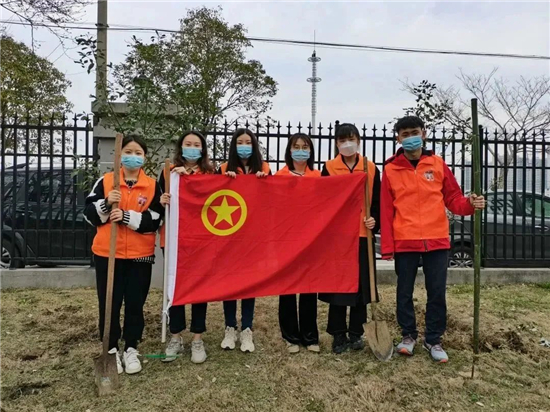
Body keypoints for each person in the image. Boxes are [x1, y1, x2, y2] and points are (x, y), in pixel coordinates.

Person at [381, 115, 486, 363]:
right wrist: (387, 247)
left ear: (424, 133)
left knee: (436, 292)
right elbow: (386, 211)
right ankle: (408, 336)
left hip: (437, 239)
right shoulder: (390, 169)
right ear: (398, 137)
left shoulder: (438, 165)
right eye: (405, 134)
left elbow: (454, 199)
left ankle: (433, 339)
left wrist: (471, 204)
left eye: (414, 132)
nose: (410, 138)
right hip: (405, 240)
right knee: (404, 292)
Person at [84, 135, 164, 375]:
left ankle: (131, 347)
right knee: (109, 303)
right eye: (128, 151)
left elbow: (156, 219)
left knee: (135, 303)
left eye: (138, 152)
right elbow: (88, 214)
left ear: (144, 157)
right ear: (119, 156)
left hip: (141, 256)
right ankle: (110, 348)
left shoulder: (151, 185)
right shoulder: (106, 181)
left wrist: (127, 217)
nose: (133, 156)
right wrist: (107, 203)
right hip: (108, 254)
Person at [319, 123, 381, 354]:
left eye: (351, 138)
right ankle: (338, 334)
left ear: (359, 140)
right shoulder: (329, 168)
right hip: (338, 238)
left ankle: (356, 333)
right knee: (338, 287)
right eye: (343, 139)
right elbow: (323, 201)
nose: (347, 143)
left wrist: (374, 220)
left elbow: (377, 201)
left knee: (362, 288)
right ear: (336, 143)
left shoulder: (371, 168)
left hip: (363, 235)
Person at [158, 131, 214, 364]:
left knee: (200, 289)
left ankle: (197, 338)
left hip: (201, 243)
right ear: (180, 148)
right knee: (176, 288)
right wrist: (164, 198)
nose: (192, 148)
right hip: (174, 241)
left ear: (202, 150)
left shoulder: (211, 174)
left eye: (196, 145)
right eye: (187, 144)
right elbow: (158, 205)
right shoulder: (168, 172)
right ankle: (175, 336)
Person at [216, 128, 271, 353]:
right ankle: (230, 327)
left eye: (248, 141)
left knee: (249, 284)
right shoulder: (222, 168)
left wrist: (265, 181)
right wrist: (224, 182)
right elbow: (211, 197)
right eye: (240, 142)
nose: (244, 145)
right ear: (233, 145)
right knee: (229, 283)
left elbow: (274, 198)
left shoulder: (265, 167)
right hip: (229, 236)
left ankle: (247, 330)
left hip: (254, 237)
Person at [276, 133, 321, 353]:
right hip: (286, 240)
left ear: (311, 151)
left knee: (309, 287)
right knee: (287, 288)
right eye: (296, 146)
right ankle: (290, 336)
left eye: (305, 147)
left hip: (312, 240)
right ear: (289, 150)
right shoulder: (279, 176)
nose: (301, 150)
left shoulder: (318, 176)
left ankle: (310, 336)